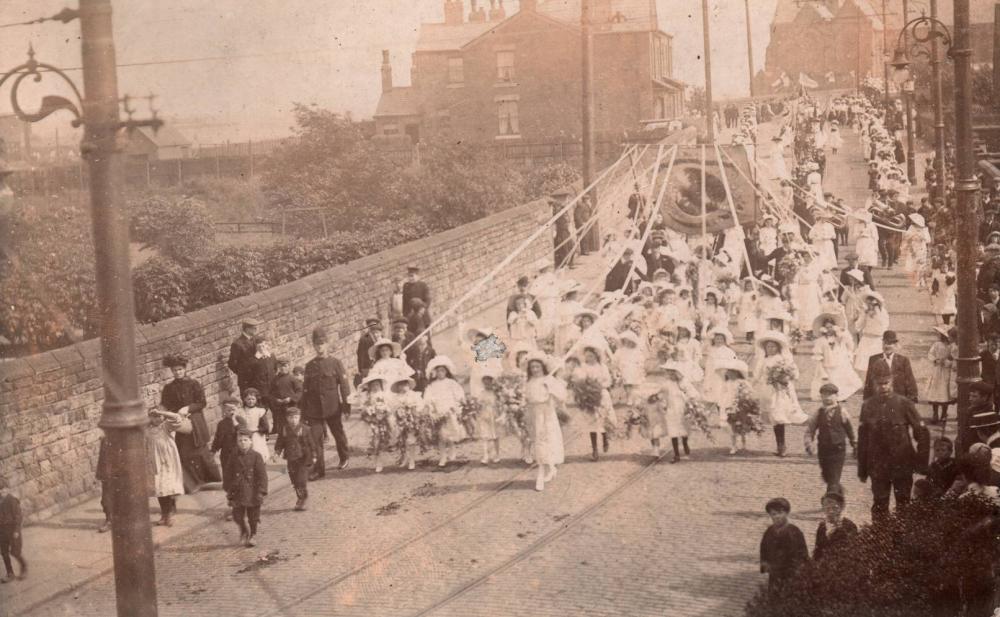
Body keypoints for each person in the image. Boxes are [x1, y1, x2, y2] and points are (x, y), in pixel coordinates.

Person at [857, 368, 929, 521]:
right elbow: (863, 437)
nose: (883, 387)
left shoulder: (904, 403)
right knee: (879, 504)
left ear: (892, 383)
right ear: (874, 385)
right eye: (879, 384)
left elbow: (922, 432)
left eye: (886, 383)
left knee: (903, 504)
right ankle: (879, 539)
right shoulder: (868, 405)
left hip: (901, 463)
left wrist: (921, 461)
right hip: (878, 465)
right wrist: (862, 468)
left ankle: (902, 540)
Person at [160, 353, 221, 493]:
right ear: (172, 372)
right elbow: (165, 404)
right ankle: (193, 484)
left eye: (180, 369)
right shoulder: (168, 388)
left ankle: (208, 479)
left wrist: (188, 408)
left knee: (200, 451)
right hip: (179, 424)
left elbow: (201, 402)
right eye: (175, 370)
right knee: (184, 453)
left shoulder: (194, 384)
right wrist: (162, 411)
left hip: (195, 422)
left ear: (185, 369)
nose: (178, 372)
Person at [300, 327, 353, 478]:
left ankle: (344, 457)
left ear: (327, 344)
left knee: (338, 434)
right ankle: (319, 469)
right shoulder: (310, 366)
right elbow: (305, 390)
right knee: (315, 440)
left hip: (333, 407)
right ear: (313, 346)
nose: (319, 347)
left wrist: (346, 406)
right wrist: (304, 412)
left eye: (322, 344)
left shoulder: (335, 363)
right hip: (314, 410)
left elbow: (344, 386)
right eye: (317, 344)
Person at [524, 351, 567, 491]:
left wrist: (551, 389)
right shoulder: (529, 382)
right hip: (533, 414)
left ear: (543, 367)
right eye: (532, 367)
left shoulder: (548, 380)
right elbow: (526, 399)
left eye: (537, 367)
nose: (535, 370)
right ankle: (551, 468)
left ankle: (540, 475)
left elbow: (561, 397)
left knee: (545, 442)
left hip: (547, 415)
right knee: (538, 443)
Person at [804, 383, 856, 494]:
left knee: (834, 474)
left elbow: (850, 429)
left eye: (830, 395)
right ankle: (836, 488)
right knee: (826, 474)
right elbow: (810, 430)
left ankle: (832, 500)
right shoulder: (818, 413)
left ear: (836, 396)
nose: (827, 398)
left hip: (838, 448)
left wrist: (854, 443)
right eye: (824, 395)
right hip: (823, 448)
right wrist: (809, 443)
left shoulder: (842, 412)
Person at [226, 428, 268, 548]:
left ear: (250, 442)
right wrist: (228, 488)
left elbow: (262, 475)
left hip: (253, 491)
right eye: (240, 440)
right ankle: (244, 530)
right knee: (237, 515)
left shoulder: (256, 456)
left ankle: (253, 534)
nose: (243, 443)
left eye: (245, 440)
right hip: (237, 490)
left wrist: (262, 490)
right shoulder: (234, 456)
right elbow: (228, 473)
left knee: (253, 516)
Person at [423, 355, 467, 467]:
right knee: (441, 436)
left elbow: (458, 394)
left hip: (449, 410)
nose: (440, 373)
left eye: (442, 371)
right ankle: (443, 457)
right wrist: (431, 408)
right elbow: (428, 398)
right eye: (438, 371)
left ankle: (452, 451)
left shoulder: (451, 383)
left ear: (446, 372)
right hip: (438, 411)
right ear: (435, 373)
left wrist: (459, 403)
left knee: (450, 434)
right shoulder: (432, 385)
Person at [759, 497, 808, 595]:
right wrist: (765, 565)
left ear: (786, 513)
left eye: (780, 513)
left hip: (790, 576)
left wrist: (799, 574)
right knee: (774, 598)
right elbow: (763, 550)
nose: (777, 516)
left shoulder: (794, 532)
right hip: (774, 575)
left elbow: (802, 555)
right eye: (773, 514)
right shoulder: (769, 532)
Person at [146, 407, 185, 527]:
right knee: (159, 489)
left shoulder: (166, 426)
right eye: (154, 416)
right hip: (154, 462)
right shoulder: (147, 430)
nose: (157, 418)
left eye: (159, 416)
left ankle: (169, 515)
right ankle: (163, 514)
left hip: (167, 462)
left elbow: (177, 418)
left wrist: (161, 412)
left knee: (167, 488)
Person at [274, 407, 317, 511]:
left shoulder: (305, 429)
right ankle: (300, 498)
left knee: (301, 480)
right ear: (287, 418)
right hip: (291, 458)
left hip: (303, 458)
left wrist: (314, 455)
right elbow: (280, 443)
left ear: (299, 417)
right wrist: (277, 452)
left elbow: (312, 444)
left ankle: (303, 500)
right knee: (294, 480)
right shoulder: (284, 429)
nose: (293, 420)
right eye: (290, 417)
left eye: (295, 417)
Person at [862, 330, 918, 403]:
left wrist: (910, 401)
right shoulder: (873, 359)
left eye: (890, 343)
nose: (887, 346)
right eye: (885, 343)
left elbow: (910, 382)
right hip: (879, 401)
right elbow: (869, 382)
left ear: (895, 345)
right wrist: (867, 401)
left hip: (898, 401)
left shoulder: (903, 360)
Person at [812, 492, 858, 562]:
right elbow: (817, 551)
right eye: (827, 508)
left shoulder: (849, 526)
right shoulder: (822, 527)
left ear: (842, 507)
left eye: (834, 508)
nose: (830, 511)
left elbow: (853, 553)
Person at [926, 326, 957, 425]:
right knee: (935, 391)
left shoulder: (952, 347)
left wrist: (948, 362)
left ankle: (944, 414)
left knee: (945, 392)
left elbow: (954, 359)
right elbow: (930, 354)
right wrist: (935, 360)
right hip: (937, 370)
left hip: (946, 371)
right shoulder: (937, 344)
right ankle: (935, 413)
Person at [0, 477, 26, 583]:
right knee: (4, 553)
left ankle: (23, 567)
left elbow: (18, 516)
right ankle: (10, 573)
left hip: (12, 530)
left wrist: (16, 530)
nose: (2, 492)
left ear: (8, 489)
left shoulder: (12, 500)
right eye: (0, 490)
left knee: (15, 552)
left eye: (3, 490)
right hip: (2, 531)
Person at [227, 317, 261, 396]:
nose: (256, 330)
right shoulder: (238, 344)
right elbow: (232, 364)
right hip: (246, 379)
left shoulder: (256, 339)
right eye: (253, 328)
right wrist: (243, 372)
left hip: (258, 377)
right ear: (246, 329)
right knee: (248, 400)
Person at [235, 388, 270, 461]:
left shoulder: (260, 411)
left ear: (256, 399)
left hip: (256, 435)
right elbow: (237, 424)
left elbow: (265, 426)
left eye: (253, 399)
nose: (251, 401)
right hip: (244, 435)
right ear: (244, 399)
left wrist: (258, 430)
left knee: (258, 452)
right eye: (248, 399)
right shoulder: (240, 411)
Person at [270, 358, 301, 437]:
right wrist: (276, 400)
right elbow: (271, 393)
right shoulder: (275, 379)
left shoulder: (292, 379)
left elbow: (299, 391)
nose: (283, 368)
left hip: (291, 406)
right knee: (282, 426)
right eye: (280, 366)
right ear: (278, 367)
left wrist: (291, 398)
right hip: (280, 407)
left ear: (288, 367)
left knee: (293, 424)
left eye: (285, 366)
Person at [355, 318, 382, 385]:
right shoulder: (364, 339)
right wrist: (361, 369)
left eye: (377, 331)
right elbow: (361, 355)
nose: (375, 334)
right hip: (369, 366)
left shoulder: (381, 338)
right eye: (371, 328)